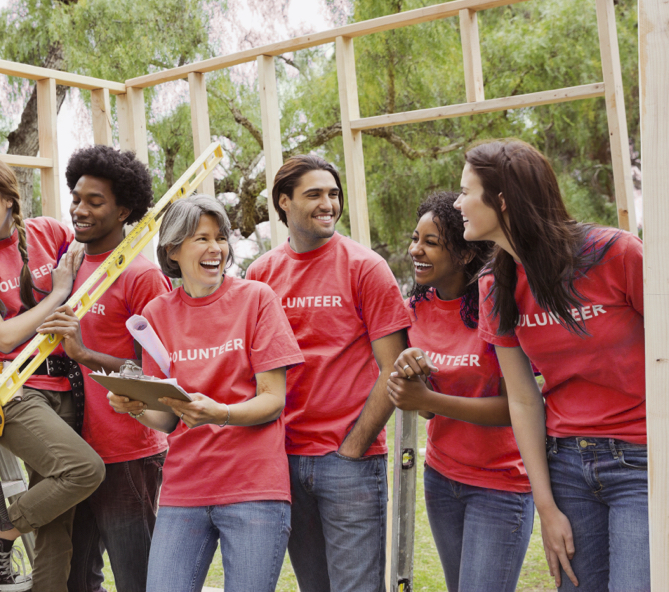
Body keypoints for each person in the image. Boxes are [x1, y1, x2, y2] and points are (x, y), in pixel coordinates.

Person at [455, 139, 646, 592]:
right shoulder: (493, 286)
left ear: (501, 200)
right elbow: (523, 399)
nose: (458, 202)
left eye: (466, 191)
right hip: (568, 467)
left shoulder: (617, 253)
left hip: (643, 460)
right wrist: (546, 507)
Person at [108, 195, 303, 592]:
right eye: (202, 238)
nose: (216, 248)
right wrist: (134, 407)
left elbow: (272, 399)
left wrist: (221, 413)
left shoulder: (256, 299)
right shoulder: (154, 316)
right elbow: (165, 417)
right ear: (173, 249)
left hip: (254, 488)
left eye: (221, 238)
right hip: (184, 488)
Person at [245, 154, 410, 592]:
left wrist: (353, 446)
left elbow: (394, 369)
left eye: (333, 194)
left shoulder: (365, 267)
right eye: (314, 194)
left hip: (349, 463)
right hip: (282, 460)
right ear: (283, 202)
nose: (328, 204)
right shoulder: (261, 275)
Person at [0, 156, 105, 592]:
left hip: (60, 381)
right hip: (5, 387)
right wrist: (57, 295)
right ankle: (0, 532)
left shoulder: (48, 232)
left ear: (8, 198)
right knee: (83, 470)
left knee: (56, 520)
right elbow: (0, 336)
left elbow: (90, 270)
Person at [35, 145, 171, 592]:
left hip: (127, 452)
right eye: (76, 198)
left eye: (95, 202)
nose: (80, 210)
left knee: (137, 578)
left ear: (124, 209)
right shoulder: (71, 266)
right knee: (77, 580)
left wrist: (88, 355)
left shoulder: (140, 276)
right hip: (75, 455)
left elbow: (157, 371)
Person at [386, 192, 533, 592]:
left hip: (501, 483)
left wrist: (426, 399)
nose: (415, 250)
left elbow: (519, 407)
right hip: (442, 477)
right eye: (415, 238)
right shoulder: (413, 310)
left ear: (466, 254)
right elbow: (427, 409)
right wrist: (412, 380)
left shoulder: (497, 302)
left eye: (430, 243)